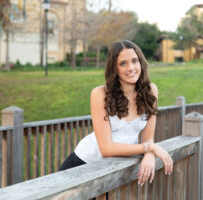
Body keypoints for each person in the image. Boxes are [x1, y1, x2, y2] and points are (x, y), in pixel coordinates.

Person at [59, 40, 173, 186]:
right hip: (84, 165)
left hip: (112, 169)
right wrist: (150, 148)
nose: (131, 67)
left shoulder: (151, 92)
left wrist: (149, 154)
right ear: (115, 68)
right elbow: (106, 149)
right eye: (123, 63)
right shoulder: (100, 93)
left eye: (134, 61)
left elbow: (148, 139)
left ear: (141, 63)